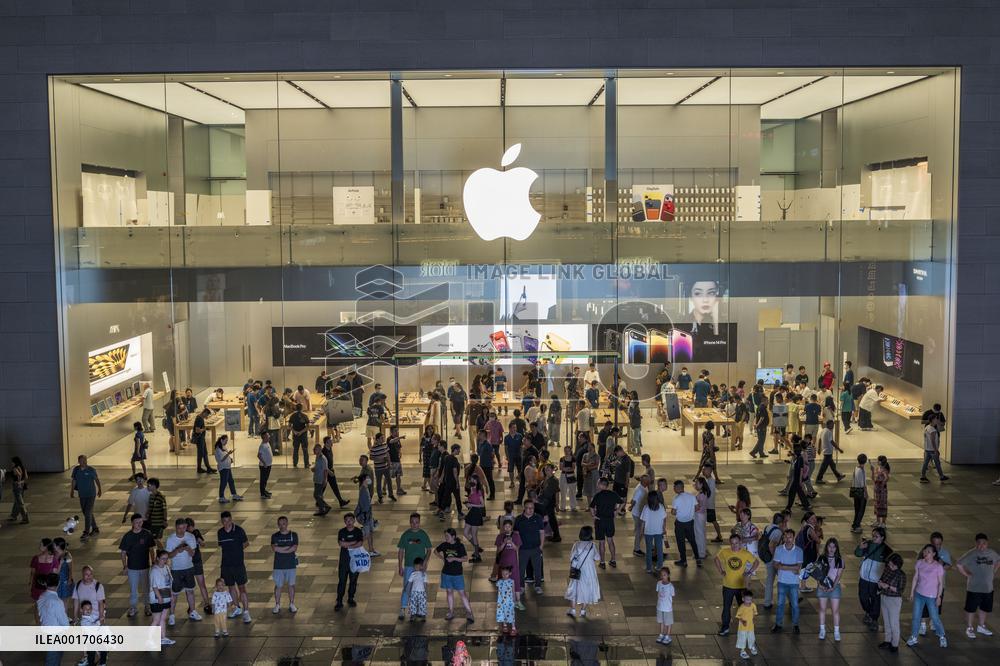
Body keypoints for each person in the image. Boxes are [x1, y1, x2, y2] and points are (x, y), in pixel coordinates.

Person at [956, 533, 1000, 639]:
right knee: (971, 609)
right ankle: (970, 627)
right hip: (974, 588)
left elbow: (998, 561)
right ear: (976, 544)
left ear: (987, 543)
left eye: (984, 543)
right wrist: (967, 574)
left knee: (984, 608)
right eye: (979, 544)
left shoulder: (992, 553)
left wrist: (994, 570)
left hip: (988, 588)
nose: (981, 546)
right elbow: (959, 564)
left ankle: (981, 626)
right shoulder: (972, 554)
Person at [715, 534, 758, 636]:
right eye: (732, 543)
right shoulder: (725, 552)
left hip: (741, 586)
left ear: (740, 543)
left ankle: (745, 627)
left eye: (737, 543)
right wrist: (721, 571)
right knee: (726, 608)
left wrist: (749, 572)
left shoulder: (745, 553)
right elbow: (716, 559)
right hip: (728, 585)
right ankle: (725, 628)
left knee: (743, 607)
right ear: (730, 543)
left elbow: (756, 562)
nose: (734, 545)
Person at [906, 543, 948, 648]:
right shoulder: (919, 563)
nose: (926, 553)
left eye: (929, 552)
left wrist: (939, 597)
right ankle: (914, 637)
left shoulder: (938, 566)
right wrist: (912, 592)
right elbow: (915, 578)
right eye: (925, 551)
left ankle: (942, 636)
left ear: (933, 554)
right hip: (919, 594)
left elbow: (940, 583)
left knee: (934, 617)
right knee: (916, 616)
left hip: (931, 596)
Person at [165, 518, 202, 626]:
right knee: (174, 593)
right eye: (180, 528)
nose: (182, 530)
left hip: (189, 568)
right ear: (176, 527)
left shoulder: (190, 537)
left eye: (184, 528)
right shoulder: (171, 539)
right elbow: (168, 556)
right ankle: (171, 615)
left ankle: (192, 611)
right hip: (176, 569)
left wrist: (187, 548)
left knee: (190, 591)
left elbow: (192, 554)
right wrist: (177, 550)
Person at [396, 513, 432, 621]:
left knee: (419, 589)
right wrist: (400, 566)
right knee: (407, 587)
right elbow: (401, 551)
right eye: (412, 522)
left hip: (420, 567)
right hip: (408, 566)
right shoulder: (406, 535)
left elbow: (429, 549)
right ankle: (403, 608)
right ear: (409, 522)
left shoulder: (423, 534)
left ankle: (418, 610)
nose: (414, 524)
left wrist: (425, 562)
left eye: (416, 522)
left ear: (419, 523)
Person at [856, 526, 893, 630]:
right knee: (863, 597)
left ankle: (874, 619)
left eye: (876, 536)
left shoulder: (887, 550)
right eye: (873, 536)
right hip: (864, 577)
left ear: (882, 537)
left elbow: (890, 566)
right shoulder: (867, 545)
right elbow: (857, 554)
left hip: (876, 580)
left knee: (875, 599)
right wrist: (860, 548)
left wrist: (884, 580)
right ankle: (868, 612)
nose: (873, 538)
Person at [218, 511, 251, 624]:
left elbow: (246, 543)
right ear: (221, 521)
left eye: (228, 521)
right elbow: (222, 545)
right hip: (226, 565)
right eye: (224, 521)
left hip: (238, 565)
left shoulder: (239, 530)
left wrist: (237, 550)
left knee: (242, 588)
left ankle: (246, 612)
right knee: (231, 587)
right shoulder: (220, 532)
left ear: (231, 520)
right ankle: (237, 607)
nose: (226, 523)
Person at [436, 528, 475, 623]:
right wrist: (442, 558)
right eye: (445, 536)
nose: (446, 538)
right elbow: (435, 551)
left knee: (462, 593)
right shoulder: (444, 545)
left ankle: (469, 612)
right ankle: (451, 611)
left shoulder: (459, 546)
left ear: (453, 536)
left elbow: (465, 558)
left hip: (457, 574)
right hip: (446, 573)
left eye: (447, 536)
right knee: (449, 592)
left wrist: (454, 558)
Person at [771, 528, 803, 634]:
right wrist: (791, 567)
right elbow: (775, 565)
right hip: (782, 581)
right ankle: (778, 624)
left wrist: (783, 566)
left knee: (795, 604)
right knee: (780, 604)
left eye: (790, 537)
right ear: (784, 538)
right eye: (786, 537)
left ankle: (796, 624)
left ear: (793, 538)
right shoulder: (779, 549)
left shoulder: (799, 550)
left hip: (794, 582)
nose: (788, 539)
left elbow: (798, 567)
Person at [565, 525, 601, 618]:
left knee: (574, 588)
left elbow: (571, 558)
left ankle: (572, 610)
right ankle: (583, 611)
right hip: (589, 571)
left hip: (577, 570)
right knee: (587, 589)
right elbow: (597, 558)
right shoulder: (592, 545)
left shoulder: (576, 544)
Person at [589, 477, 623, 569]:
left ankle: (602, 562)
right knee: (610, 540)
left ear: (601, 484)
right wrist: (617, 511)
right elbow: (622, 502)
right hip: (610, 521)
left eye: (598, 483)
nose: (597, 485)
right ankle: (613, 560)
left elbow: (591, 507)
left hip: (600, 521)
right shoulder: (613, 494)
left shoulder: (598, 495)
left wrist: (593, 515)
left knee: (601, 542)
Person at [815, 537, 844, 641]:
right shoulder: (821, 558)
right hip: (822, 586)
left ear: (836, 548)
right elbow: (817, 573)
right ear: (826, 547)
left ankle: (836, 631)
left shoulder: (840, 560)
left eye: (834, 547)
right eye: (829, 546)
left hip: (834, 588)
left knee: (835, 610)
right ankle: (822, 629)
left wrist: (833, 587)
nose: (831, 549)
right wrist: (820, 584)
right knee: (822, 609)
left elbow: (838, 576)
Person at [514, 501, 546, 595]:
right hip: (523, 549)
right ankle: (521, 586)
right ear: (524, 508)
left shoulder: (538, 518)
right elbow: (516, 534)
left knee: (537, 568)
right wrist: (517, 547)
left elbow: (542, 533)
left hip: (536, 548)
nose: (530, 510)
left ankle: (538, 586)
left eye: (532, 508)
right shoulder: (519, 519)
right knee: (521, 569)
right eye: (528, 508)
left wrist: (541, 546)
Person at [269, 515, 299, 615]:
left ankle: (292, 603)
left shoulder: (293, 535)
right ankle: (277, 604)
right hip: (278, 565)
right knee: (278, 586)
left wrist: (281, 549)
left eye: (284, 524)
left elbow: (294, 548)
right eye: (280, 524)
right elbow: (274, 549)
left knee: (291, 585)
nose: (282, 526)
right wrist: (287, 548)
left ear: (287, 524)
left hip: (290, 565)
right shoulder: (274, 536)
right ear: (278, 525)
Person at [335, 513, 364, 611]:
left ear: (354, 520)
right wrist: (353, 543)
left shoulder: (358, 531)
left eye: (350, 520)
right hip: (344, 562)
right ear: (344, 522)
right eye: (347, 520)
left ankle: (351, 598)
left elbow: (360, 543)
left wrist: (348, 545)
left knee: (353, 581)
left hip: (355, 561)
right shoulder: (342, 532)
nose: (349, 522)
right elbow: (341, 543)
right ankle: (339, 600)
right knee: (342, 581)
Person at [70, 455, 102, 541]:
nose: (84, 462)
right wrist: (72, 490)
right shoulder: (76, 470)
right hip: (82, 495)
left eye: (85, 460)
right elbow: (74, 480)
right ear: (79, 461)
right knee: (86, 512)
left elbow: (96, 479)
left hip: (91, 494)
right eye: (82, 460)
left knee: (87, 512)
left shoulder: (91, 470)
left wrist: (99, 489)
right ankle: (95, 528)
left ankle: (86, 532)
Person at [670, 479, 700, 567]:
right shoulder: (691, 496)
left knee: (681, 542)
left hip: (680, 524)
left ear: (678, 487)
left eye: (674, 487)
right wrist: (689, 511)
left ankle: (683, 560)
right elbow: (697, 508)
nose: (673, 489)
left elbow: (673, 512)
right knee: (692, 540)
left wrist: (676, 511)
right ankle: (698, 559)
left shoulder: (676, 499)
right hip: (690, 522)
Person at [148, 550, 175, 646]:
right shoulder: (155, 570)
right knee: (156, 620)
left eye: (166, 559)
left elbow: (169, 583)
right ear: (158, 558)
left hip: (166, 596)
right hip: (157, 598)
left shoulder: (167, 568)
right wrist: (159, 597)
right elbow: (154, 586)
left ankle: (162, 638)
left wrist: (171, 595)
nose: (165, 560)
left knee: (163, 619)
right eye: (163, 559)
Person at [761, 512, 787, 609]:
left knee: (770, 580)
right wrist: (775, 558)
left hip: (767, 557)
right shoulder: (778, 532)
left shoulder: (768, 527)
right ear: (781, 522)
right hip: (773, 559)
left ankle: (767, 602)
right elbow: (771, 545)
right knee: (784, 579)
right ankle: (793, 599)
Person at [640, 490, 668, 574]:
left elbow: (643, 521)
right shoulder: (661, 507)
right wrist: (664, 528)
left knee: (649, 550)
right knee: (659, 549)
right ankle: (659, 566)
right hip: (659, 531)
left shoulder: (646, 507)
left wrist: (641, 531)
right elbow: (664, 518)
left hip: (648, 531)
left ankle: (649, 568)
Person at [320, 435, 350, 508]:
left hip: (330, 470)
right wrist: (329, 471)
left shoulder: (330, 449)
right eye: (330, 441)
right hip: (326, 472)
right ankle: (319, 500)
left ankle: (340, 501)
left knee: (334, 486)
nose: (332, 443)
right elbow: (323, 464)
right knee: (323, 487)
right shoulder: (323, 452)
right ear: (326, 443)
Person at [920, 414, 950, 482]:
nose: (937, 420)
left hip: (927, 449)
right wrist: (936, 450)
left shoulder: (927, 427)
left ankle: (923, 476)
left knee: (926, 463)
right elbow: (932, 440)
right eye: (936, 419)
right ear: (933, 420)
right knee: (937, 463)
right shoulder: (932, 430)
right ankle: (941, 476)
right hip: (932, 450)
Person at [214, 436, 242, 503]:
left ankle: (234, 494)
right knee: (223, 483)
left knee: (231, 481)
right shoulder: (218, 449)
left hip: (227, 467)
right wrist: (228, 454)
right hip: (223, 468)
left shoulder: (223, 447)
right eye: (226, 440)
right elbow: (221, 459)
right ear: (221, 440)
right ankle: (221, 497)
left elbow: (226, 455)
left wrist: (230, 458)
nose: (226, 442)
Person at [655, 566, 675, 645]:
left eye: (665, 575)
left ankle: (667, 636)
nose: (663, 576)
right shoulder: (659, 583)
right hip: (660, 607)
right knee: (661, 621)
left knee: (668, 622)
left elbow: (672, 596)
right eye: (662, 575)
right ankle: (661, 634)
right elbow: (658, 593)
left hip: (667, 608)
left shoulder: (670, 587)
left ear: (668, 575)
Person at [496, 564, 517, 635]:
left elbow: (513, 591)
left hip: (509, 601)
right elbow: (499, 591)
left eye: (506, 574)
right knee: (503, 613)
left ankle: (513, 627)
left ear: (510, 573)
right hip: (501, 602)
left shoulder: (512, 581)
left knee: (511, 613)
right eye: (503, 574)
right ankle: (505, 625)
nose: (504, 575)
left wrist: (514, 599)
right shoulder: (499, 582)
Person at [289, 403, 311, 469]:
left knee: (295, 449)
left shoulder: (292, 416)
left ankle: (295, 463)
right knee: (305, 449)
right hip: (303, 435)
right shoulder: (304, 416)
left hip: (295, 435)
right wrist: (301, 432)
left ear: (296, 408)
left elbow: (289, 425)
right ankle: (306, 464)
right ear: (302, 408)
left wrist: (295, 431)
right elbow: (307, 427)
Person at [850, 454, 868, 533]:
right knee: (861, 510)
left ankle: (854, 524)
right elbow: (863, 484)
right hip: (861, 492)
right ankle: (857, 526)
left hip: (855, 491)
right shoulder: (862, 471)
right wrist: (866, 494)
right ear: (865, 461)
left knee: (857, 509)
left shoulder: (856, 468)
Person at [9, 456, 29, 523]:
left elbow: (19, 474)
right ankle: (13, 515)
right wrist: (22, 482)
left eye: (12, 462)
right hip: (22, 486)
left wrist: (19, 482)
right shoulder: (23, 467)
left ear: (15, 462)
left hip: (17, 486)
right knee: (17, 501)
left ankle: (25, 518)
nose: (11, 463)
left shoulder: (15, 468)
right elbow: (26, 477)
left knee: (20, 502)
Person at [873, 456, 890, 528]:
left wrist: (882, 483)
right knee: (877, 504)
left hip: (882, 491)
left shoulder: (884, 470)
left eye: (878, 460)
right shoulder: (877, 469)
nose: (877, 461)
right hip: (877, 490)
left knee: (883, 505)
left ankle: (883, 522)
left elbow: (887, 478)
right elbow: (874, 478)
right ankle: (877, 521)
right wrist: (872, 471)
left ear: (880, 462)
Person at [257, 432, 273, 499]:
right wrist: (264, 463)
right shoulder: (262, 446)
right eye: (268, 435)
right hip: (264, 466)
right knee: (263, 480)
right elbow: (259, 455)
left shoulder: (267, 443)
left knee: (265, 479)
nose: (269, 436)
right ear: (264, 437)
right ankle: (262, 494)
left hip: (268, 465)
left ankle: (264, 490)